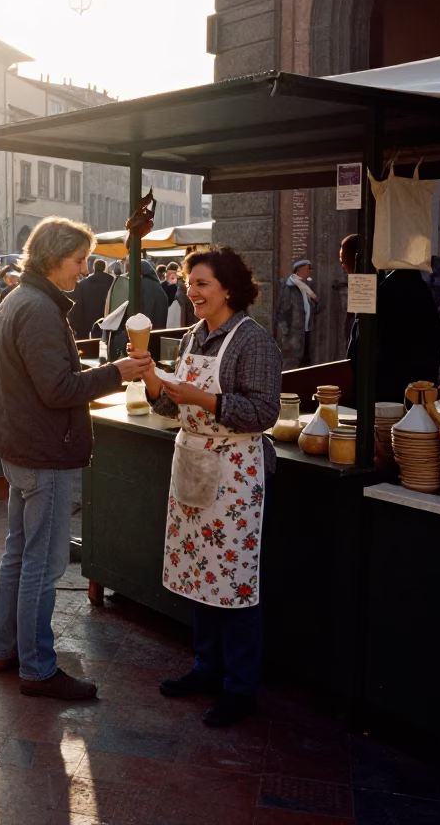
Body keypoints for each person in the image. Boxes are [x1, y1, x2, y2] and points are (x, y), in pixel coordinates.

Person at [0, 218, 153, 699]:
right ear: (53, 258)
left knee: (18, 554)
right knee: (42, 563)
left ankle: (4, 650)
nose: (84, 269)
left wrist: (93, 369)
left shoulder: (20, 299)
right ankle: (37, 668)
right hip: (43, 452)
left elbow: (43, 373)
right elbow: (57, 389)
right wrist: (115, 372)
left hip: (21, 447)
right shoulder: (37, 307)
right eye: (78, 260)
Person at [138, 247, 281, 727]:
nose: (190, 291)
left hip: (237, 471)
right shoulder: (191, 337)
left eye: (200, 283)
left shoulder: (252, 342)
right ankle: (206, 667)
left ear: (228, 289)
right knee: (201, 570)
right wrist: (156, 386)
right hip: (194, 463)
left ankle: (239, 688)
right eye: (187, 281)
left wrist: (203, 397)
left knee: (235, 578)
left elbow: (264, 414)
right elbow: (170, 410)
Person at [340, 234, 440, 403]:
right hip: (411, 390)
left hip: (392, 395)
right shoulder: (402, 285)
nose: (344, 268)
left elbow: (363, 352)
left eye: (343, 261)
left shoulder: (389, 291)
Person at [105, 259, 169, 359]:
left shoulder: (140, 285)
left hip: (140, 338)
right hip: (157, 336)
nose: (127, 274)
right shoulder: (158, 287)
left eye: (129, 272)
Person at [274, 258, 323, 370]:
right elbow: (281, 311)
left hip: (307, 332)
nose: (308, 273)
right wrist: (287, 332)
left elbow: (314, 308)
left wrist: (317, 302)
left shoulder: (307, 287)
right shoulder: (289, 288)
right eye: (306, 270)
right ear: (299, 271)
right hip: (294, 335)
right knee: (292, 366)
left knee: (306, 365)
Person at [70, 259, 114, 339]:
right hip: (108, 321)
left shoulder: (83, 284)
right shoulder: (112, 282)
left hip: (87, 322)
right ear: (104, 268)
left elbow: (78, 305)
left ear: (94, 267)